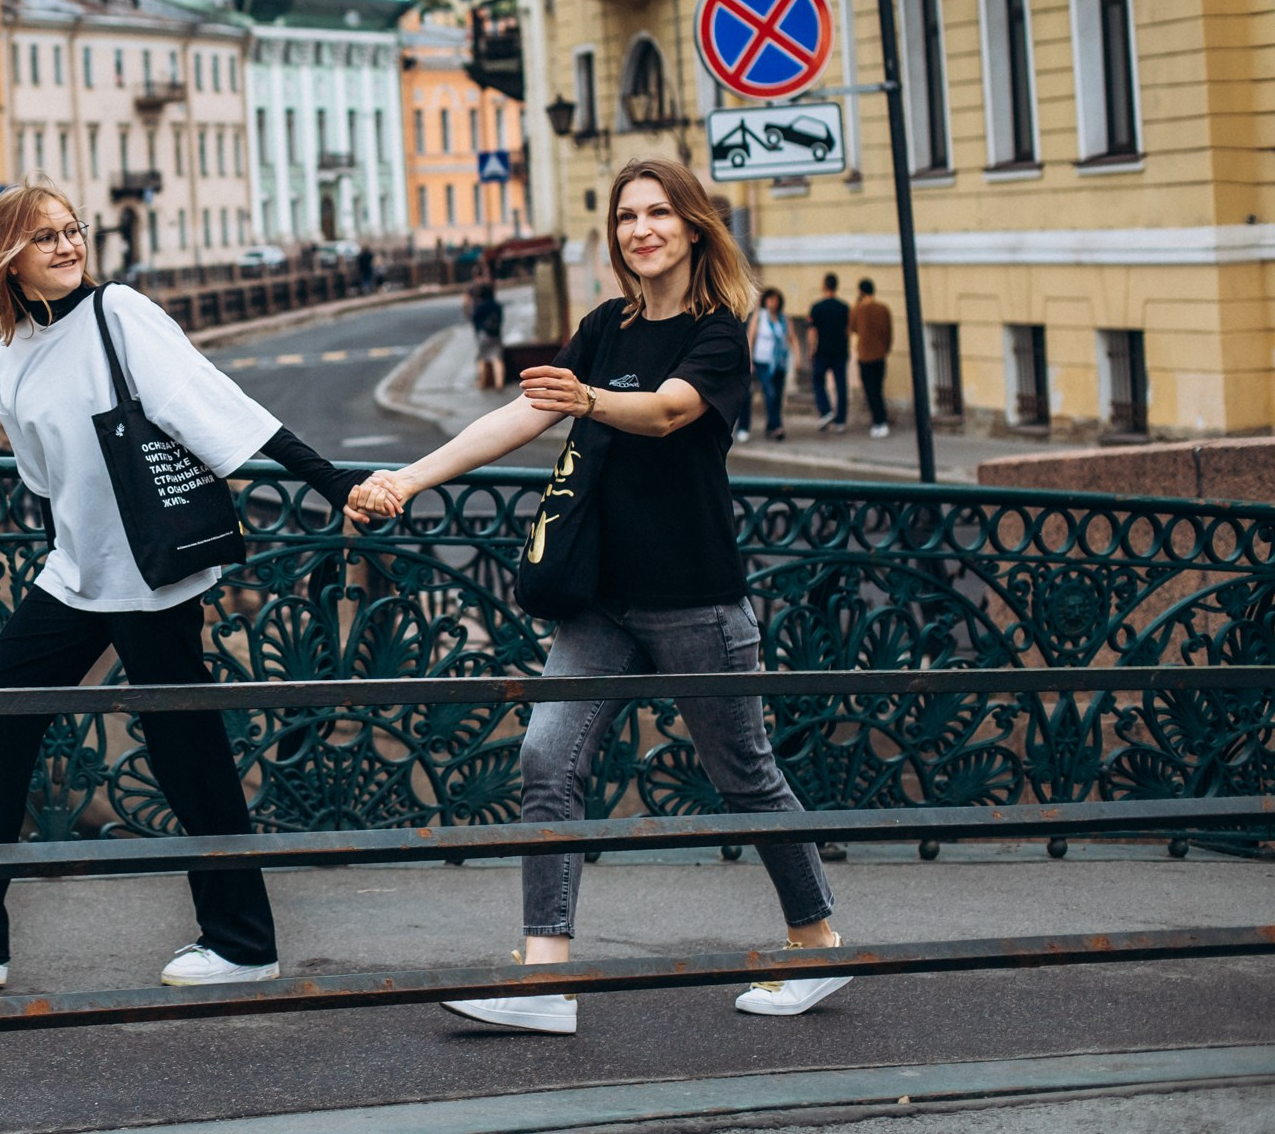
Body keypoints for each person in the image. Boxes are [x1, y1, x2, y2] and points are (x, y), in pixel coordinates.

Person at [350, 156, 844, 1033]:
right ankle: (547, 983)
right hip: (600, 598)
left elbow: (665, 412)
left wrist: (591, 399)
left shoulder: (719, 332)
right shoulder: (604, 326)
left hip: (694, 596)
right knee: (547, 758)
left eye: (658, 214)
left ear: (694, 227)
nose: (641, 230)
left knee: (746, 777)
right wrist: (409, 478)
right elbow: (520, 416)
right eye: (626, 217)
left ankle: (817, 945)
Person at [0, 175, 369, 991]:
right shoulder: (8, 355)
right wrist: (58, 565)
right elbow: (41, 480)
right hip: (77, 574)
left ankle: (243, 942)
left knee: (188, 753)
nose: (68, 246)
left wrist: (334, 483)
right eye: (47, 237)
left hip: (154, 571)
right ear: (8, 259)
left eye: (73, 230)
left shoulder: (119, 313)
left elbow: (219, 407)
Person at [739, 287, 791, 443]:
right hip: (762, 362)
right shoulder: (759, 317)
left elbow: (791, 337)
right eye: (770, 299)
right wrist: (748, 361)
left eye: (775, 300)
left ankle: (771, 427)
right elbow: (751, 338)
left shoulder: (783, 318)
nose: (772, 303)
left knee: (777, 397)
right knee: (769, 393)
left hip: (779, 363)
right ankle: (776, 427)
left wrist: (797, 357)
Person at [807, 273, 851, 432]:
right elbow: (847, 330)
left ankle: (826, 411)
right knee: (841, 385)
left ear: (824, 285)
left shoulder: (817, 307)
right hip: (840, 351)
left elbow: (812, 331)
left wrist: (812, 350)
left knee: (818, 380)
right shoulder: (844, 307)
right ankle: (841, 421)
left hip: (823, 351)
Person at [851, 279, 893, 439]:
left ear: (861, 292)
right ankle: (881, 420)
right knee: (878, 388)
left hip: (865, 356)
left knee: (870, 390)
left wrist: (857, 302)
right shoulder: (883, 309)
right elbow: (888, 332)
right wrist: (885, 349)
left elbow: (852, 327)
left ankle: (879, 422)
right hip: (880, 355)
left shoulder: (858, 310)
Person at [467, 279, 508, 392]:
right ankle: (499, 382)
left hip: (483, 335)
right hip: (495, 334)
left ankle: (482, 383)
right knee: (497, 359)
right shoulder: (497, 305)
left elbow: (474, 320)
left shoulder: (479, 306)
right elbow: (500, 319)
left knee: (482, 359)